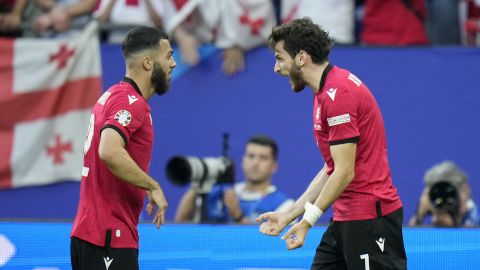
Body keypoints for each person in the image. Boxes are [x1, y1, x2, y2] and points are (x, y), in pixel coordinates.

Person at [256, 18, 407, 269]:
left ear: (301, 57)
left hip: (370, 219)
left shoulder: (339, 95)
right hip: (346, 217)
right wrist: (290, 214)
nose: (276, 67)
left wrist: (308, 221)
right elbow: (332, 167)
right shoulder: (325, 92)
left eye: (280, 58)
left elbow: (345, 171)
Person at [70, 26, 176, 270]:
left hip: (92, 233)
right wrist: (152, 185)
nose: (173, 64)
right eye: (169, 56)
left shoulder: (113, 95)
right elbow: (108, 150)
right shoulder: (132, 103)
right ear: (148, 63)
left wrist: (141, 183)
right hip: (109, 236)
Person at [175, 135, 294, 224]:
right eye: (251, 156)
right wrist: (198, 184)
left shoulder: (285, 205)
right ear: (243, 160)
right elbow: (181, 223)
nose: (255, 163)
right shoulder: (219, 192)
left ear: (274, 166)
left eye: (263, 158)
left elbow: (271, 245)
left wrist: (238, 215)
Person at [408, 160, 479, 227]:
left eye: (450, 194)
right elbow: (406, 239)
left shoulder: (477, 219)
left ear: (465, 190)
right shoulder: (434, 223)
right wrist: (418, 218)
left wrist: (451, 228)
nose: (444, 201)